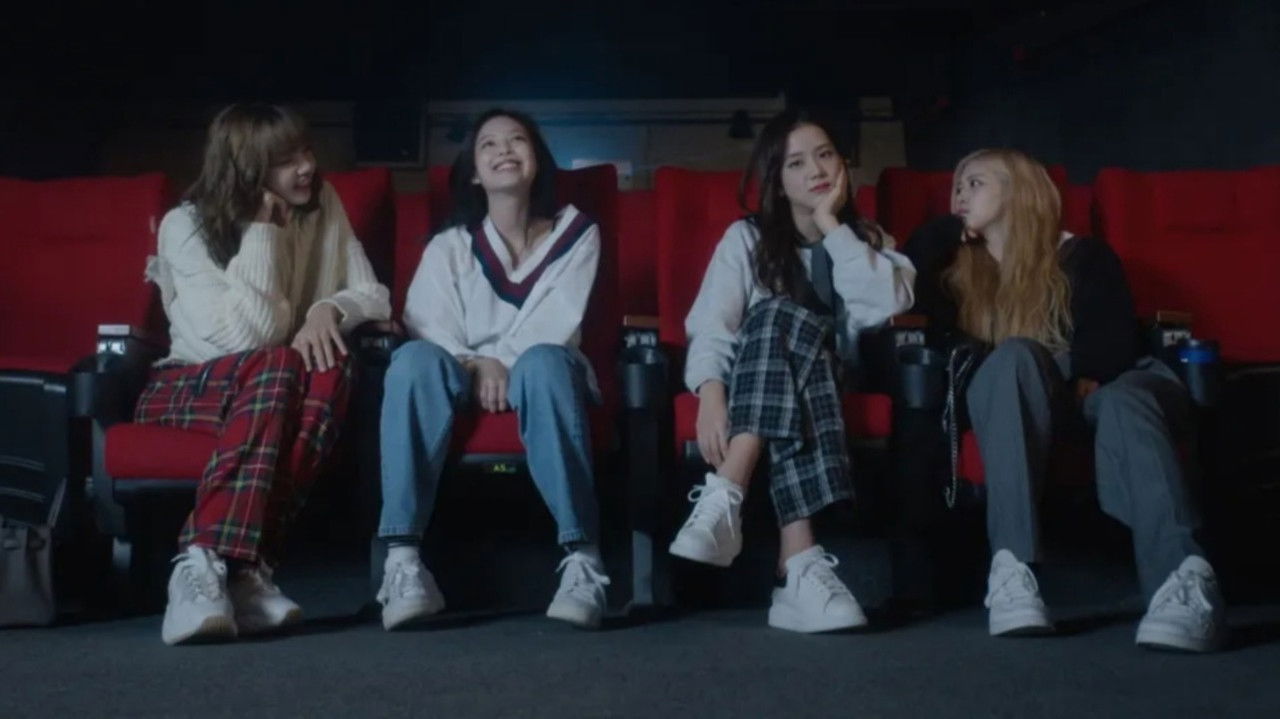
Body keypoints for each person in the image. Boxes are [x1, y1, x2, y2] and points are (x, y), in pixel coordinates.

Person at [903, 148, 1223, 652]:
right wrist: (949, 229)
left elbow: (1113, 340)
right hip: (1018, 394)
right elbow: (912, 275)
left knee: (1124, 402)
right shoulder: (957, 272)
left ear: (1018, 191)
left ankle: (1182, 583)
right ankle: (1012, 573)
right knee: (1012, 357)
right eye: (956, 187)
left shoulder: (1082, 255)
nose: (960, 194)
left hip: (1109, 383)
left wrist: (1087, 375)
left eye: (975, 183)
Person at [141, 103, 390, 645]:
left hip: (275, 388)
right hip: (189, 386)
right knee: (280, 361)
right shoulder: (185, 225)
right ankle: (205, 561)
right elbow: (248, 338)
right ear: (247, 170)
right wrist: (261, 232)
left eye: (306, 151)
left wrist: (328, 310)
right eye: (285, 160)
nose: (306, 167)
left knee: (331, 365)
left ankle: (236, 570)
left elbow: (374, 294)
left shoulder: (324, 203)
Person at [673, 109, 916, 632]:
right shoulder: (746, 238)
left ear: (843, 164)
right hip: (778, 385)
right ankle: (799, 566)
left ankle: (727, 491)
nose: (816, 171)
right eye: (797, 163)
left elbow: (883, 306)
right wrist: (711, 393)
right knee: (775, 318)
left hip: (841, 374)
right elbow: (713, 324)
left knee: (780, 315)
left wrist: (832, 226)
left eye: (825, 155)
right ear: (777, 181)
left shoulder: (868, 241)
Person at [375, 109, 611, 630]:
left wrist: (503, 362)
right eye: (489, 144)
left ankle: (582, 559)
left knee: (543, 363)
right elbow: (426, 323)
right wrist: (476, 363)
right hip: (460, 373)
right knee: (411, 360)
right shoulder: (449, 246)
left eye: (517, 140)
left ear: (536, 160)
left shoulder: (577, 233)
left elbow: (558, 321)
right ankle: (404, 561)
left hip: (545, 372)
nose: (504, 149)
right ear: (475, 174)